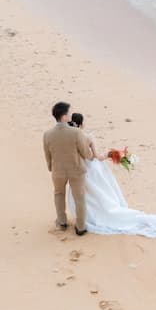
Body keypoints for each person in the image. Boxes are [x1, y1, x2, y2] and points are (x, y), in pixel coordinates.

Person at [63, 110, 156, 242]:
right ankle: (95, 217)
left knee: (87, 196)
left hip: (78, 170)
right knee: (100, 195)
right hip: (93, 170)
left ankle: (86, 218)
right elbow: (97, 157)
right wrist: (110, 154)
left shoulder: (69, 138)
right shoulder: (88, 137)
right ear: (82, 124)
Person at [42, 101, 94, 236]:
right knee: (80, 198)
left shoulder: (47, 134)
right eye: (69, 113)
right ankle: (81, 227)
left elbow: (47, 155)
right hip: (76, 170)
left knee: (59, 194)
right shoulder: (76, 132)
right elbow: (84, 152)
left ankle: (62, 222)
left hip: (57, 171)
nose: (70, 115)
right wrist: (90, 154)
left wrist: (50, 167)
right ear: (64, 117)